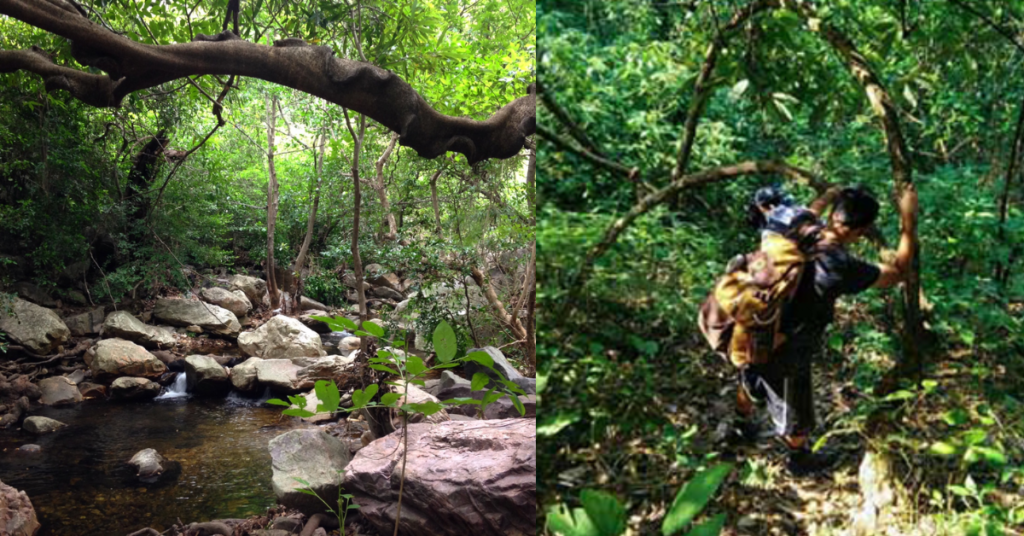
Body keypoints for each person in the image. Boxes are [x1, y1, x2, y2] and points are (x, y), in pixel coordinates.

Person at [730, 184, 919, 476]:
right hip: (789, 344)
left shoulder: (796, 223)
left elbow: (813, 208)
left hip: (755, 325)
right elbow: (899, 272)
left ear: (833, 215)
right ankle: (799, 458)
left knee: (751, 374)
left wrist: (832, 193)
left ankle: (740, 427)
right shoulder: (840, 266)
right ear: (861, 231)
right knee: (795, 406)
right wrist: (909, 222)